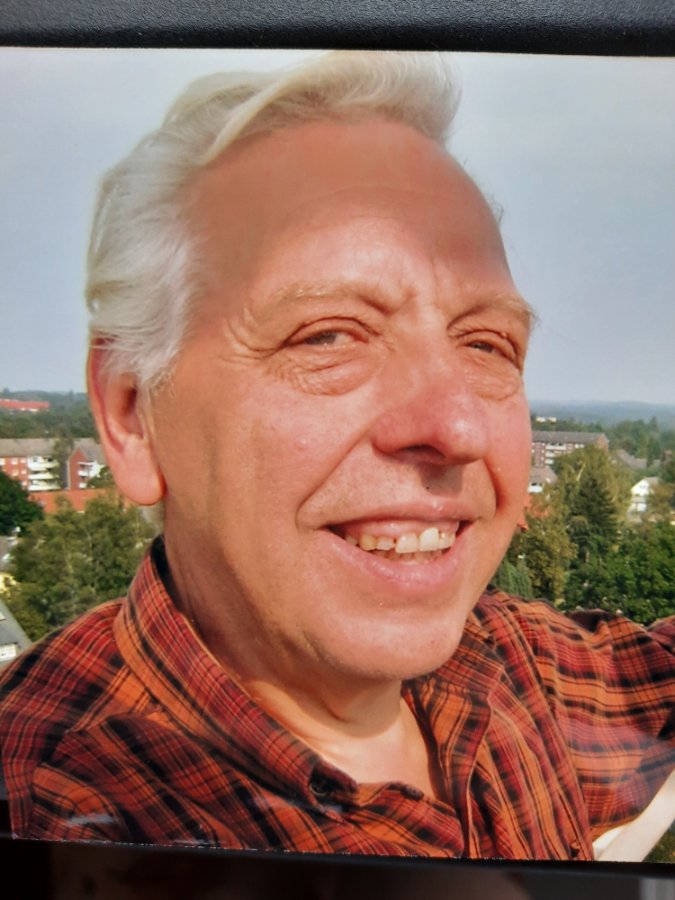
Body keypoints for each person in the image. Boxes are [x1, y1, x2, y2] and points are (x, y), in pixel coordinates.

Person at [0, 52, 672, 859]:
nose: (457, 425)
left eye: (487, 344)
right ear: (131, 414)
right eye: (327, 336)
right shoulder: (57, 818)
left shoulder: (509, 669)